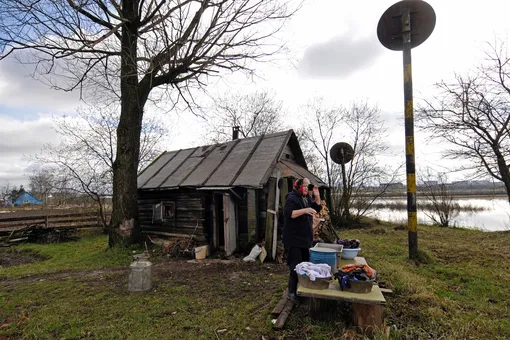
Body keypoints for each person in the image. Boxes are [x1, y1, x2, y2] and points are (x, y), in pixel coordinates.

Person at [282, 177, 322, 304]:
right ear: (298, 186)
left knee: (305, 265)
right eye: (305, 186)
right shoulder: (292, 197)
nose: (306, 188)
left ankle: (302, 288)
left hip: (305, 239)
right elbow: (289, 213)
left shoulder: (306, 198)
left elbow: (316, 208)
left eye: (308, 186)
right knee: (295, 265)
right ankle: (291, 292)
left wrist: (317, 196)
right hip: (294, 239)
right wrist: (305, 210)